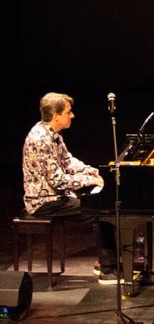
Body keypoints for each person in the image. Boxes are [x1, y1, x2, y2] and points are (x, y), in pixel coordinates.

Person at [21, 93, 120, 283]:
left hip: (56, 196)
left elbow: (68, 161)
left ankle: (105, 262)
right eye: (68, 112)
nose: (72, 115)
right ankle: (108, 270)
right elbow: (57, 180)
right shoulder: (41, 139)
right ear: (55, 115)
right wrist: (89, 180)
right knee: (99, 211)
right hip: (43, 201)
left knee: (100, 207)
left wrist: (92, 172)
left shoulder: (53, 134)